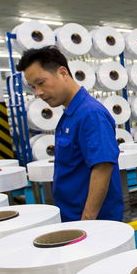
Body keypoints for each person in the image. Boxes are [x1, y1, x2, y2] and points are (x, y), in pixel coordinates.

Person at [17, 46, 122, 222]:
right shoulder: (70, 114)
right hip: (72, 217)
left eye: (41, 83)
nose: (38, 93)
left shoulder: (90, 114)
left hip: (92, 224)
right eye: (33, 87)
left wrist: (87, 222)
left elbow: (102, 168)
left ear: (63, 72)